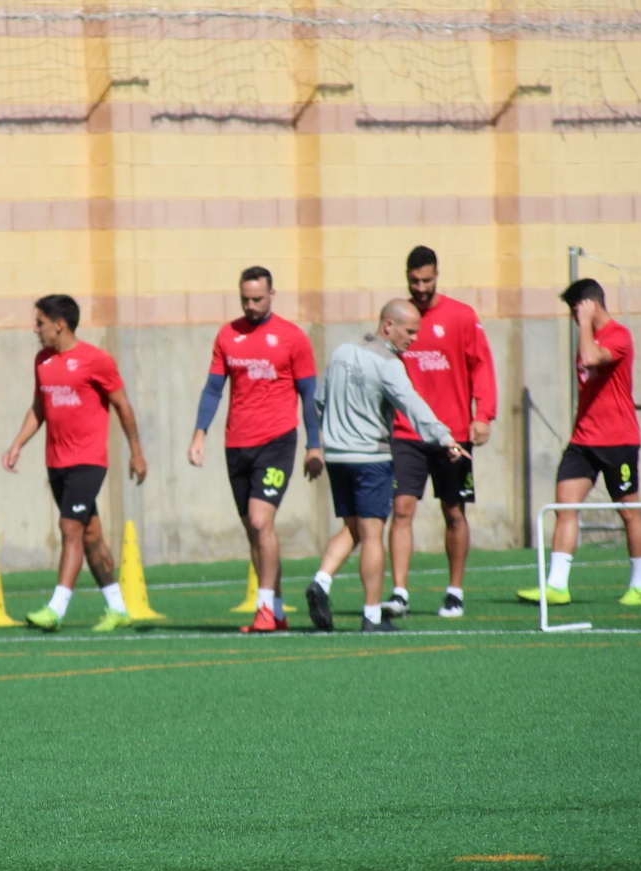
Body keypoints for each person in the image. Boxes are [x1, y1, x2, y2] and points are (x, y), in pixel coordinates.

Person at [306, 300, 468, 633]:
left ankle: (321, 582)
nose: (413, 339)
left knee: (351, 528)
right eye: (410, 332)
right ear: (389, 326)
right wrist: (444, 437)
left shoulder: (340, 352)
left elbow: (318, 401)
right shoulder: (389, 363)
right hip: (371, 460)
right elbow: (412, 404)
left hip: (337, 457)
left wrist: (330, 437)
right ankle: (372, 617)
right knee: (372, 535)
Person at [188, 266, 322, 633]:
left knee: (262, 521)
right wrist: (200, 433)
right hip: (237, 446)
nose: (251, 306)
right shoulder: (228, 335)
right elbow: (214, 389)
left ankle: (263, 610)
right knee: (254, 531)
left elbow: (309, 395)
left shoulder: (293, 338)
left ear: (272, 295)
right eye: (245, 299)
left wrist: (314, 445)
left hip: (277, 442)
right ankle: (275, 611)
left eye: (258, 299)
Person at [3, 294, 147, 632]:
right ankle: (118, 609)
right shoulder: (42, 361)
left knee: (69, 528)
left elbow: (123, 406)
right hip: (56, 462)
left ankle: (56, 609)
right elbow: (39, 407)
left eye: (39, 323)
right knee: (90, 535)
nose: (35, 329)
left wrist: (136, 452)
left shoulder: (96, 360)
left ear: (59, 324)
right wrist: (17, 444)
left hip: (88, 461)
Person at [518, 279, 641, 608]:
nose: (573, 315)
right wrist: (586, 326)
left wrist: (587, 323)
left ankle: (639, 585)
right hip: (583, 439)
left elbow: (591, 359)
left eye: (575, 308)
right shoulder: (587, 334)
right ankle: (557, 585)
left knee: (628, 512)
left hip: (618, 440)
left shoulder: (618, 335)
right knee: (565, 506)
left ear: (588, 304)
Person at [388, 246, 497, 619]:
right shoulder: (398, 318)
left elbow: (482, 365)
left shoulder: (461, 316)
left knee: (453, 511)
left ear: (438, 276)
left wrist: (483, 414)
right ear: (407, 277)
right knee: (401, 509)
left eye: (427, 280)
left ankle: (454, 591)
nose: (420, 287)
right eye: (414, 280)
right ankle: (400, 592)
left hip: (452, 433)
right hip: (405, 432)